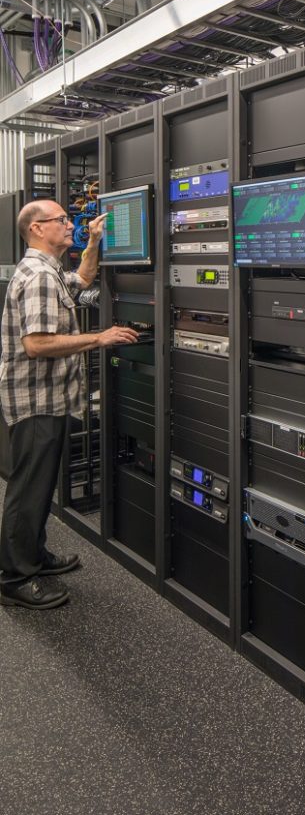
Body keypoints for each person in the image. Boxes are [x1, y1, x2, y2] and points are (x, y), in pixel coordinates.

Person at [0, 200, 139, 610]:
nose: (69, 224)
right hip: (37, 399)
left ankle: (33, 555)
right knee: (28, 489)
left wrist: (93, 241)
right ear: (38, 229)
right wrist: (99, 337)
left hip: (49, 397)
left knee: (39, 486)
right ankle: (14, 577)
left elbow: (82, 278)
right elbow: (37, 344)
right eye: (61, 219)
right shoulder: (39, 276)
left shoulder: (47, 271)